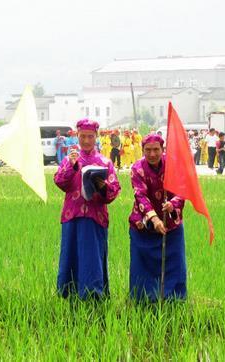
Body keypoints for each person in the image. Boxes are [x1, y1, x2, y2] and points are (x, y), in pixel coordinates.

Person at [54, 119, 121, 299]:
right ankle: (68, 293)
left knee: (93, 257)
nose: (86, 141)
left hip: (95, 216)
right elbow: (59, 181)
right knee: (70, 254)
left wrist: (101, 185)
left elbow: (113, 192)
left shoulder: (104, 162)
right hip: (72, 215)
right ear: (77, 136)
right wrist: (72, 166)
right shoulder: (70, 159)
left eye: (90, 136)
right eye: (82, 136)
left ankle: (93, 294)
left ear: (96, 137)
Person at [128, 134, 186, 302]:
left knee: (174, 263)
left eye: (156, 150)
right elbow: (140, 195)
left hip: (170, 222)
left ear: (162, 149)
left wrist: (172, 204)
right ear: (142, 150)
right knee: (142, 265)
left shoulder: (173, 166)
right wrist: (154, 219)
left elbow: (182, 190)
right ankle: (143, 300)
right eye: (148, 150)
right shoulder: (137, 168)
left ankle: (173, 300)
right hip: (144, 222)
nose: (152, 154)